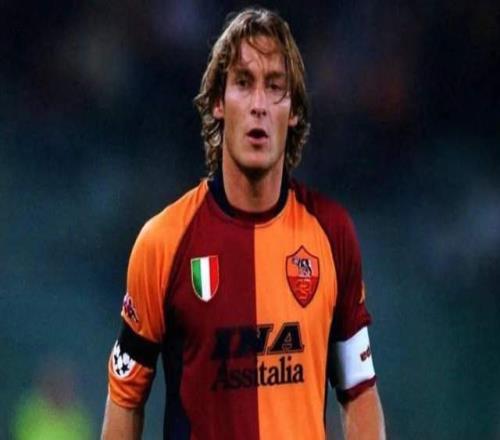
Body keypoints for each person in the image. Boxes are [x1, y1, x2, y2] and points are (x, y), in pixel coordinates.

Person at [101, 7, 385, 440]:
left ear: (294, 110)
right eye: (243, 82)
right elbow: (125, 398)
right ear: (218, 102)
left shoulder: (331, 233)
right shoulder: (164, 242)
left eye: (275, 87)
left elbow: (359, 390)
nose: (258, 105)